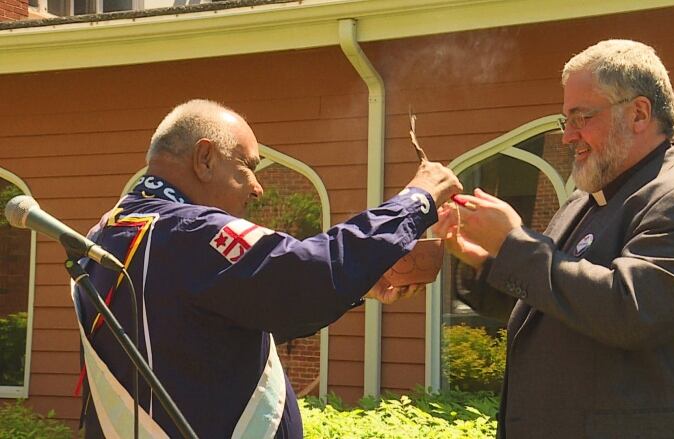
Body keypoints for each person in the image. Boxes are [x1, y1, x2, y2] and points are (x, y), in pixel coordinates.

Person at [73, 99, 462, 438]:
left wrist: (363, 281)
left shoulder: (111, 230)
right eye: (248, 166)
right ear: (204, 159)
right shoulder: (188, 232)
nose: (258, 188)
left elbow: (250, 299)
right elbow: (305, 278)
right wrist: (417, 200)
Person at [433, 39, 674, 438]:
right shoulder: (583, 202)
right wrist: (487, 259)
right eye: (568, 121)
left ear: (639, 113)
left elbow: (630, 311)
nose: (568, 137)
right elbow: (554, 303)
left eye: (582, 117)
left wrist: (513, 243)